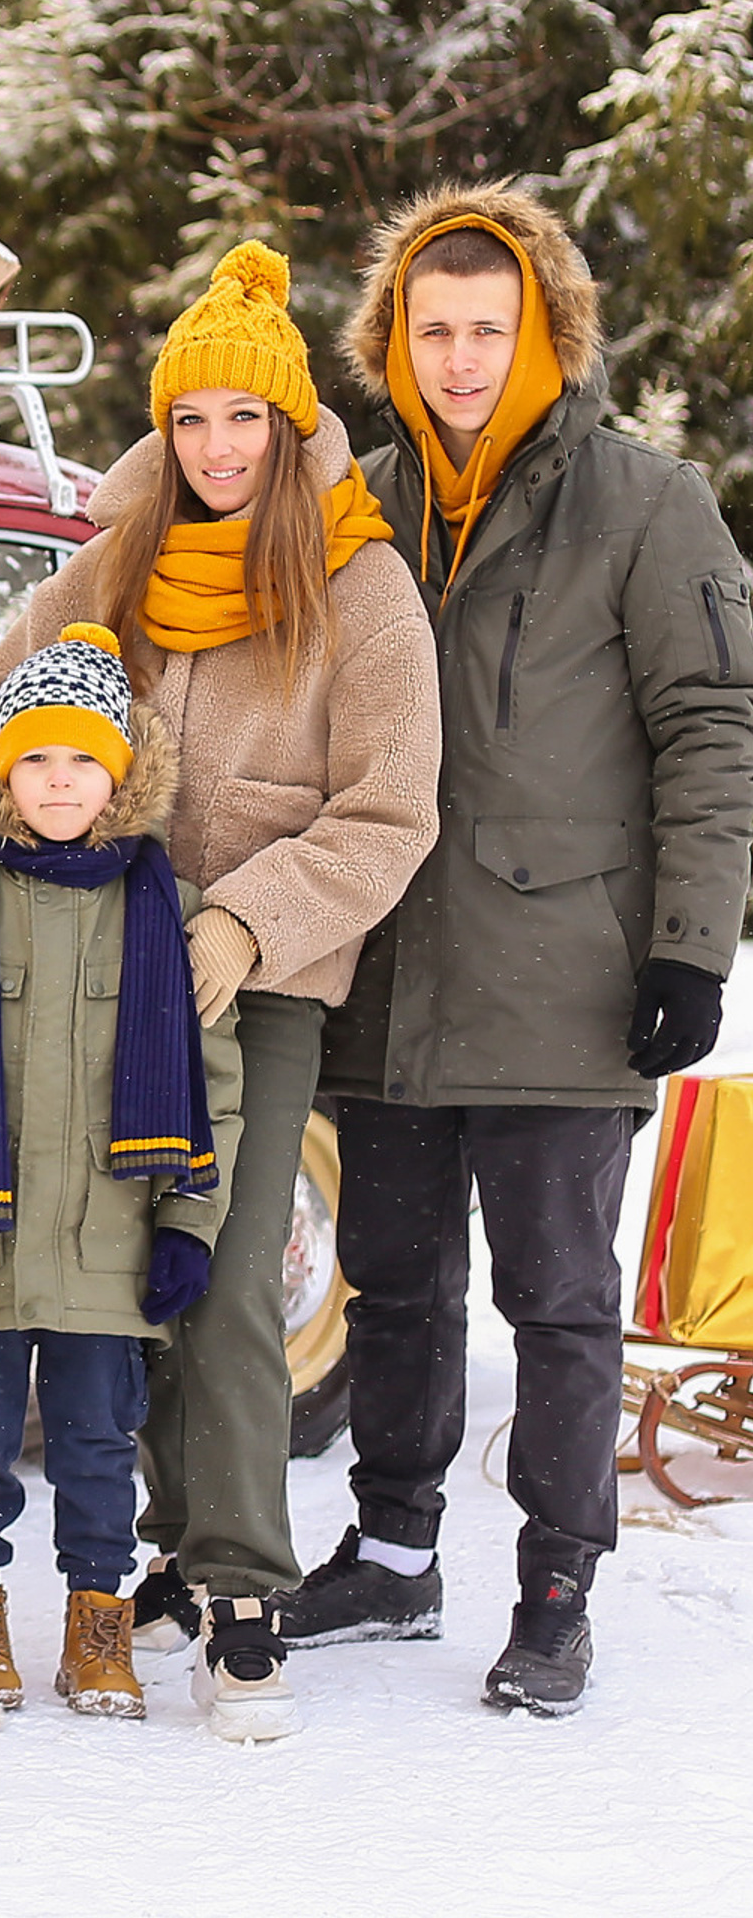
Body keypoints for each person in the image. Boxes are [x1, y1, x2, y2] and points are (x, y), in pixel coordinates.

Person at [283, 185, 753, 1713]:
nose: (464, 359)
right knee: (395, 1284)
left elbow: (711, 731)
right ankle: (397, 1556)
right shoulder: (353, 499)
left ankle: (557, 1587)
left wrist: (691, 947)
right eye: (436, 330)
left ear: (545, 332)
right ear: (392, 341)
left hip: (568, 972)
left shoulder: (645, 503)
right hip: (394, 973)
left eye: (493, 329)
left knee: (557, 1296)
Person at [0, 242, 441, 1739]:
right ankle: (171, 1544)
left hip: (260, 988)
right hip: (97, 977)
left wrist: (247, 924)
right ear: (162, 431)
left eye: (247, 421)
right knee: (124, 1278)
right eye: (191, 422)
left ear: (293, 431)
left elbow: (392, 811)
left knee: (230, 1272)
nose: (219, 449)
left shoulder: (358, 587)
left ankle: (248, 1598)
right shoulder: (109, 565)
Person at [0, 624, 242, 1723]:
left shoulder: (173, 911)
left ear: (119, 774)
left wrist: (185, 1224)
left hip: (108, 1242)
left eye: (81, 762)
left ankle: (97, 1624)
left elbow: (216, 1085)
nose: (58, 783)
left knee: (96, 1445)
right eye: (35, 761)